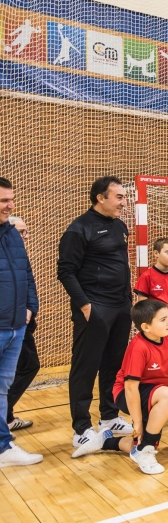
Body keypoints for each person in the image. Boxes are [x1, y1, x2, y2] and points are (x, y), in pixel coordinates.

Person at [57, 176, 135, 450]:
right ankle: (80, 428)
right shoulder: (79, 229)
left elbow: (120, 265)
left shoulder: (120, 227)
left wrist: (128, 299)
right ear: (101, 198)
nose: (124, 203)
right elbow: (65, 272)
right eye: (119, 197)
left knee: (113, 365)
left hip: (120, 306)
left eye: (124, 197)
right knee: (85, 367)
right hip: (94, 308)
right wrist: (87, 306)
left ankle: (109, 416)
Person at [72, 300, 168, 474]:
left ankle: (106, 441)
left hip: (154, 392)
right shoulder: (138, 348)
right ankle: (145, 452)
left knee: (144, 439)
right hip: (126, 394)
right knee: (148, 434)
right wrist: (137, 422)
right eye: (163, 319)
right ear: (145, 327)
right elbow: (130, 387)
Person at [0, 179, 42, 467]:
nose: (11, 205)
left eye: (11, 199)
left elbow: (26, 273)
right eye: (4, 201)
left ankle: (3, 447)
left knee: (2, 388)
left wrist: (30, 307)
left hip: (16, 326)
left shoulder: (12, 234)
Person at [134, 238, 168, 408]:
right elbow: (140, 304)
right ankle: (150, 396)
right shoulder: (147, 276)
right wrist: (146, 327)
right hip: (156, 329)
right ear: (156, 254)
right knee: (159, 363)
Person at [5, 216, 40, 435]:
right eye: (21, 231)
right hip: (9, 323)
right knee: (28, 365)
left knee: (22, 367)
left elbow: (30, 285)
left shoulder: (19, 256)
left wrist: (30, 308)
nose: (25, 236)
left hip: (22, 322)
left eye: (26, 231)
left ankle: (6, 416)